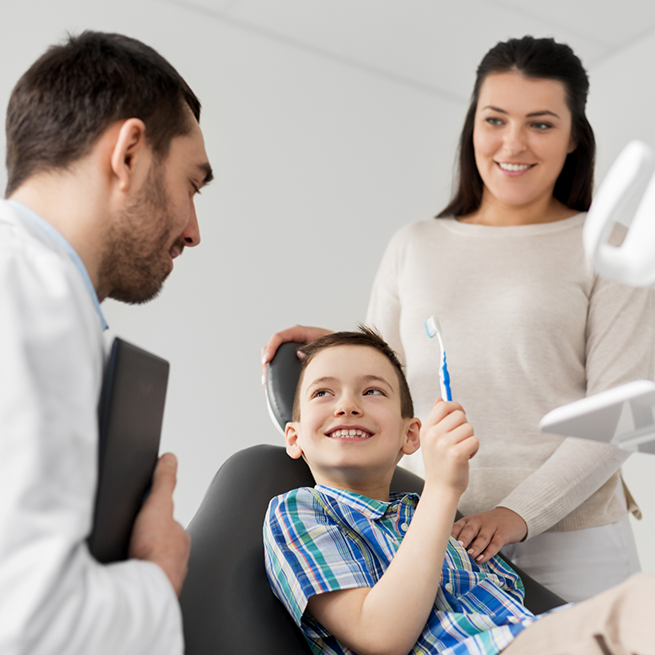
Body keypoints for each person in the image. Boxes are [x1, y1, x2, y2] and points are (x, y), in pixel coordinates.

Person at [262, 36, 654, 602]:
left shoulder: (608, 249)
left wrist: (516, 514)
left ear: (573, 138)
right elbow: (388, 382)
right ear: (473, 125)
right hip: (439, 531)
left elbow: (619, 417)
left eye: (540, 124)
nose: (512, 142)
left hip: (575, 541)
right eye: (495, 119)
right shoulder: (414, 245)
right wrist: (337, 348)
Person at [0, 31, 213, 654]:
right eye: (192, 184)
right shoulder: (32, 301)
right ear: (128, 153)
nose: (193, 231)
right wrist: (156, 572)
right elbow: (29, 623)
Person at [263, 328, 654, 655]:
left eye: (372, 392)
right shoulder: (298, 512)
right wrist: (442, 488)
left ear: (411, 434)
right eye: (322, 393)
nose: (347, 405)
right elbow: (379, 637)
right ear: (294, 438)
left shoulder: (431, 520)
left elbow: (517, 606)